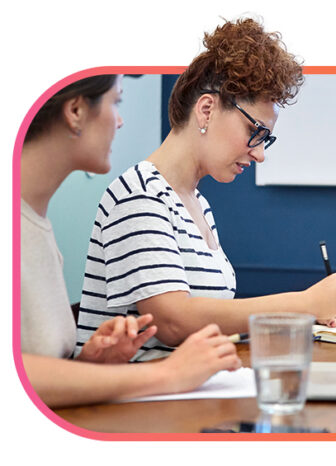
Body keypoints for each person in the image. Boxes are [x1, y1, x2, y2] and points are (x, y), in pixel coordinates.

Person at [76, 18, 336, 361]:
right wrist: (305, 304)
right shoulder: (140, 195)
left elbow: (206, 323)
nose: (260, 154)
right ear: (206, 109)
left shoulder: (197, 204)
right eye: (255, 131)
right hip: (139, 407)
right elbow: (172, 321)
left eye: (266, 139)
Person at [20, 74, 242, 408]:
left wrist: (92, 365)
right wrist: (168, 374)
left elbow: (37, 375)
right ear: (76, 110)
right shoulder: (137, 193)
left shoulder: (36, 226)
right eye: (116, 101)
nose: (121, 121)